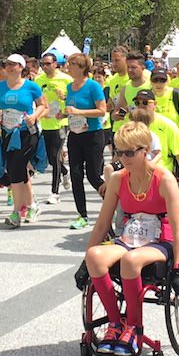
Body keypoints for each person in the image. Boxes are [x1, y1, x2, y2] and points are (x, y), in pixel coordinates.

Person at [82, 121, 179, 356]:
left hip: (162, 240)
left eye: (130, 152)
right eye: (120, 152)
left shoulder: (165, 179)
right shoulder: (119, 179)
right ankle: (115, 323)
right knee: (94, 256)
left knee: (131, 260)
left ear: (145, 150)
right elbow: (102, 223)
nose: (124, 157)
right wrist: (85, 263)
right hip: (130, 238)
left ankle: (134, 326)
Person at [0, 54, 47, 226]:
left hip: (26, 133)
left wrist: (34, 116)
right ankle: (31, 206)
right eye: (7, 64)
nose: (10, 67)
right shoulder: (0, 87)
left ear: (22, 68)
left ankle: (17, 212)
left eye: (14, 64)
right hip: (8, 133)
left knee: (16, 168)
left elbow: (43, 105)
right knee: (19, 170)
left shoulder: (31, 86)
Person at [63, 53, 107, 230]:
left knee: (93, 175)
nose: (68, 67)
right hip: (75, 134)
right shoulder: (69, 86)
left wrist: (80, 112)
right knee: (75, 175)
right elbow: (71, 109)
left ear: (81, 68)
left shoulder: (93, 86)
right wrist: (64, 113)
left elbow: (102, 111)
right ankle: (82, 215)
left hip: (93, 134)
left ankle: (114, 203)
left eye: (71, 64)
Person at [35, 52, 72, 204]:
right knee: (50, 158)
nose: (45, 67)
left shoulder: (66, 79)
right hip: (45, 122)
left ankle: (54, 192)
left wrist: (64, 97)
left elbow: (75, 99)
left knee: (55, 155)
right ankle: (64, 171)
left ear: (56, 64)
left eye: (48, 63)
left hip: (61, 123)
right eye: (43, 64)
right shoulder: (39, 80)